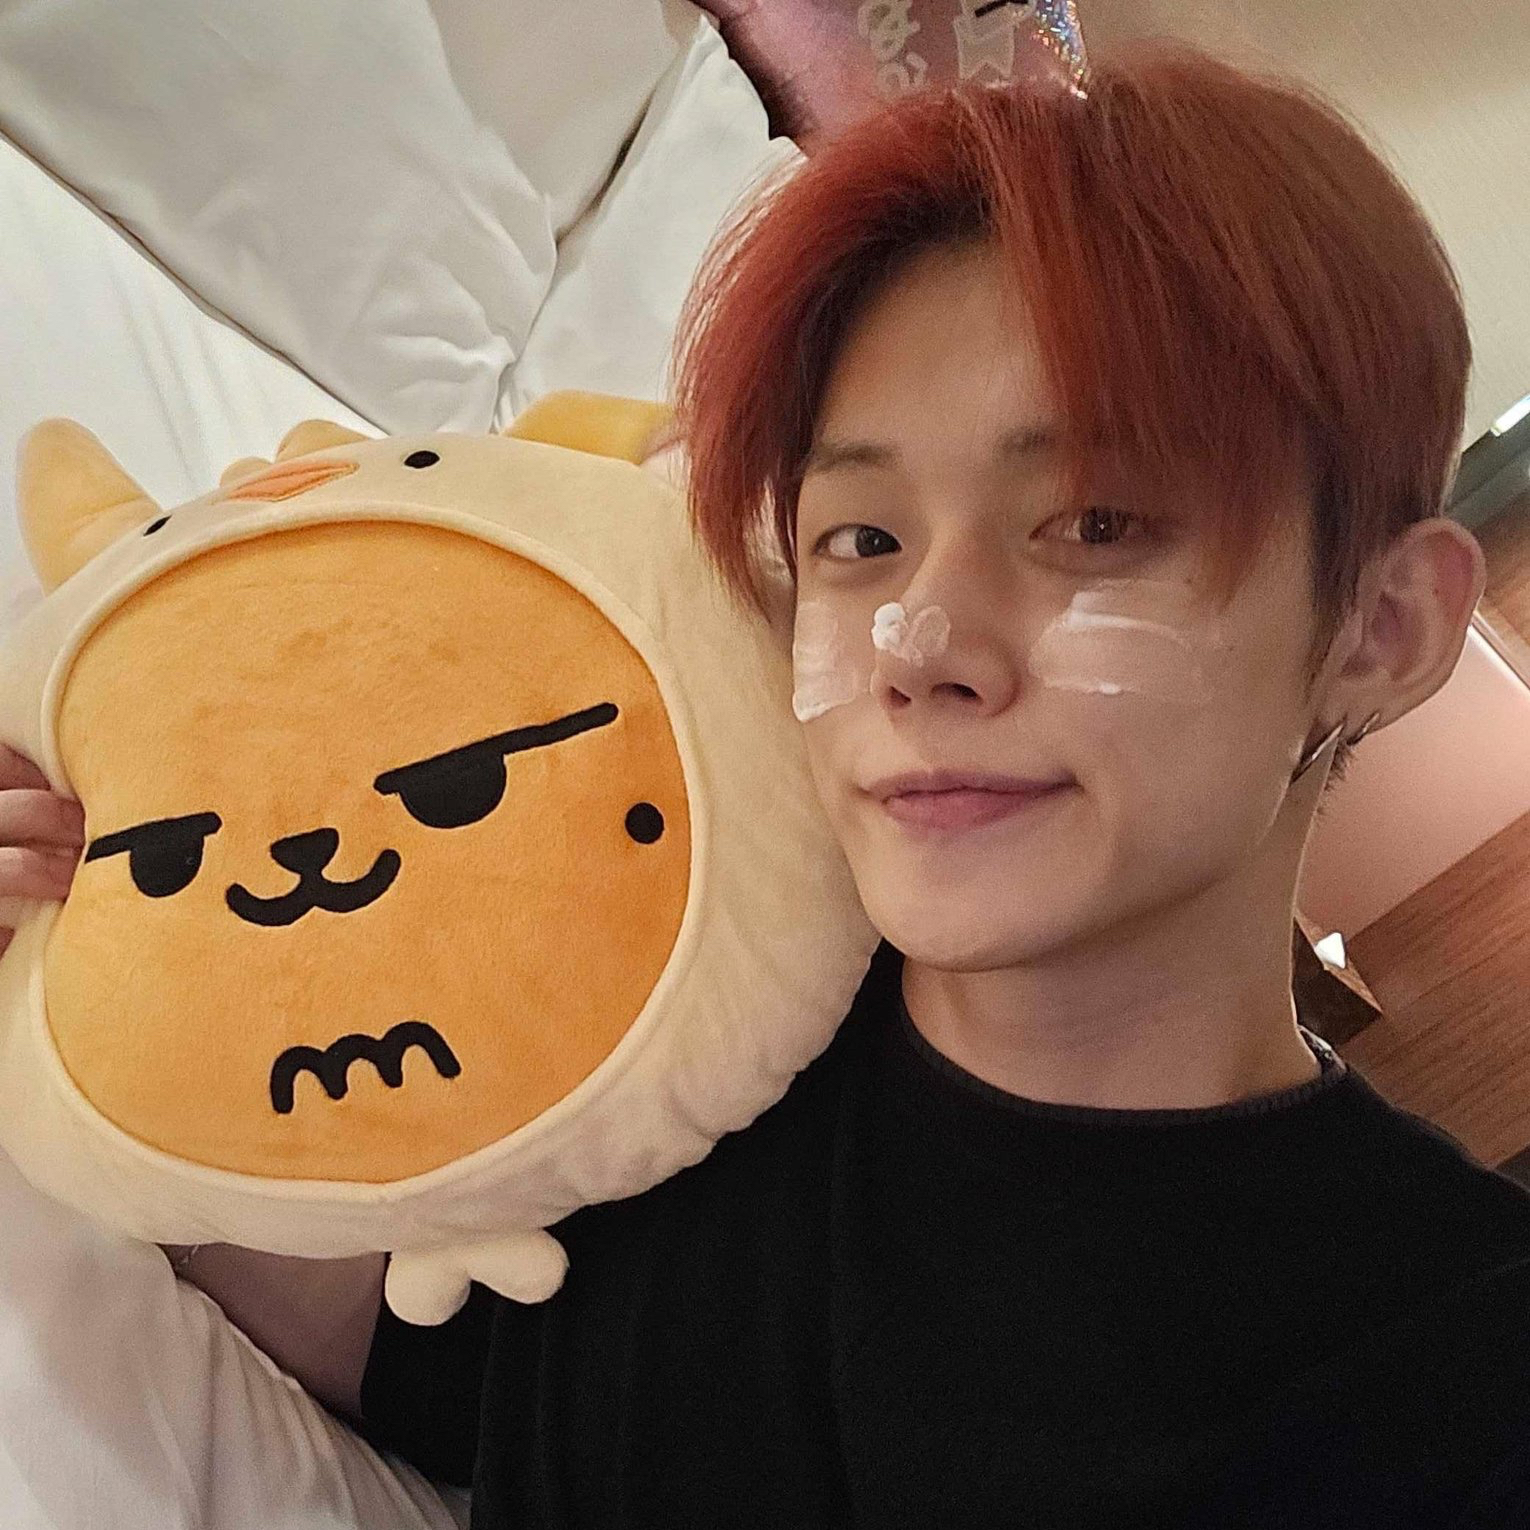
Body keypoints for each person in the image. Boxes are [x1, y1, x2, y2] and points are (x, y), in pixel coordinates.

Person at [4, 43, 1530, 1528]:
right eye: (860, 540)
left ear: (1379, 629)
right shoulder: (673, 1028)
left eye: (1090, 522)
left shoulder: (1460, 1384)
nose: (919, 648)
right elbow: (438, 1369)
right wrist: (80, 937)